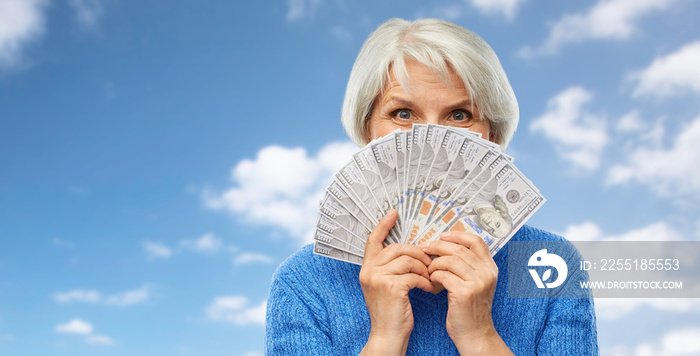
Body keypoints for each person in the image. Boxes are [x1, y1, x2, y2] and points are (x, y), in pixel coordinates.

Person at [266, 18, 598, 355]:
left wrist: (480, 336)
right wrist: (384, 338)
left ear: (493, 137)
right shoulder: (303, 282)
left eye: (459, 115)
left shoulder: (549, 264)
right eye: (403, 113)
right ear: (367, 130)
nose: (433, 140)